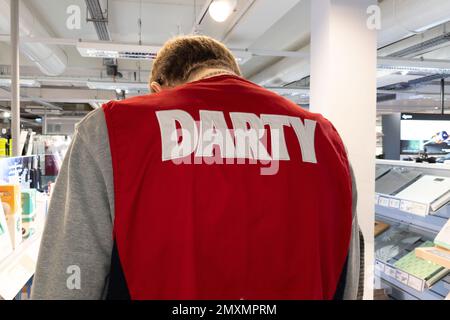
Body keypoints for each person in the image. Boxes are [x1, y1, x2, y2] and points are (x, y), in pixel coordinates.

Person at [31, 35, 362, 300]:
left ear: (157, 90)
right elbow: (348, 277)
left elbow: (66, 282)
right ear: (233, 75)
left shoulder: (110, 130)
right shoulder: (326, 139)